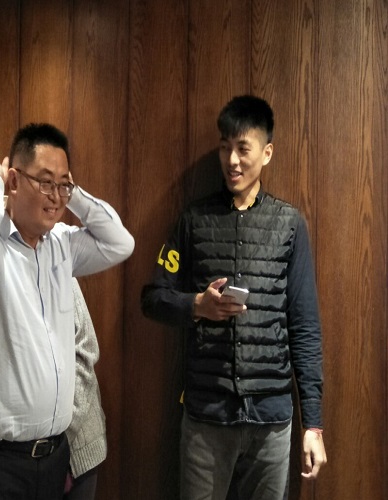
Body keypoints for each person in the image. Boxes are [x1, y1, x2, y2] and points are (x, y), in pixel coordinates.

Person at [141, 95, 327, 500]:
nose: (232, 160)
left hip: (271, 422)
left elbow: (304, 327)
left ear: (267, 152)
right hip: (206, 417)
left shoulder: (290, 224)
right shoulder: (193, 220)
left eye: (243, 148)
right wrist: (197, 306)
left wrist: (313, 425)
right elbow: (153, 298)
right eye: (225, 147)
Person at [0, 123, 134, 500]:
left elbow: (120, 243)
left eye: (63, 185)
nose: (55, 197)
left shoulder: (61, 244)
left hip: (52, 460)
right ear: (15, 181)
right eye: (45, 182)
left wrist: (70, 191)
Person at [64, 278, 107, 500]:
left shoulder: (58, 270)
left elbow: (85, 352)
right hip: (27, 457)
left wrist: (58, 442)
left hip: (76, 445)